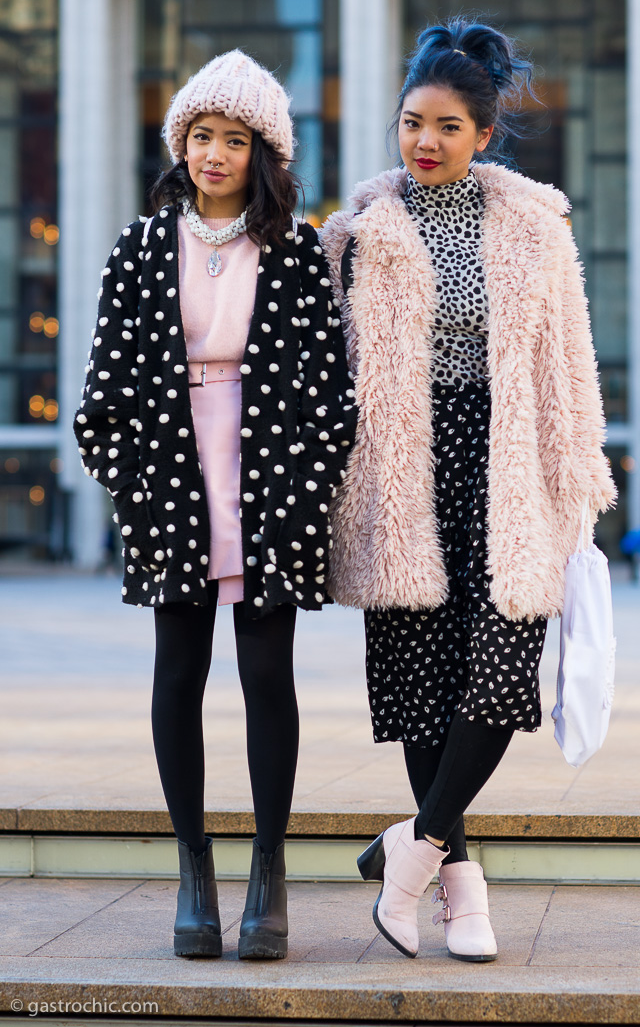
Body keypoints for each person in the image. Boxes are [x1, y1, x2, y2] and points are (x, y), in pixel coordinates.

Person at [320, 18, 615, 962]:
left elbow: (571, 365)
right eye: (412, 122)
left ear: (483, 133)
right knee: (421, 687)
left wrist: (579, 486)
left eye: (447, 125)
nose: (425, 141)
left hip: (510, 471)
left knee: (497, 673)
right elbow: (331, 370)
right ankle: (459, 889)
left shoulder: (536, 226)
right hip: (403, 472)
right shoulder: (362, 231)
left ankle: (410, 854)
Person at [74, 50, 356, 961]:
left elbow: (330, 393)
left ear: (263, 152)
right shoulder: (142, 244)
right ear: (180, 144)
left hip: (268, 479)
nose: (215, 154)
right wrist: (128, 477)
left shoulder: (299, 249)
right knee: (178, 669)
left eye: (235, 139)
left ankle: (267, 874)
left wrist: (308, 490)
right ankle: (194, 869)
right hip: (170, 475)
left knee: (267, 671)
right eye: (201, 135)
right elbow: (103, 386)